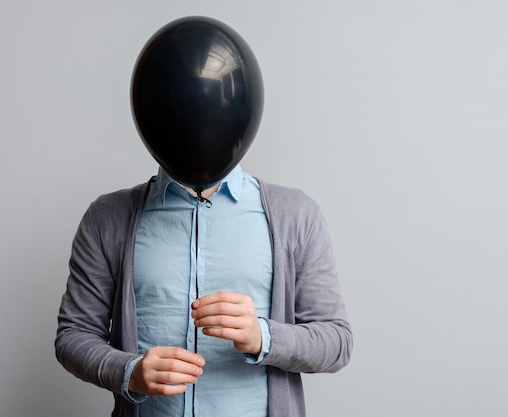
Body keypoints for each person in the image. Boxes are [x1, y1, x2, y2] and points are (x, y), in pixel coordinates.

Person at [55, 16, 352, 417]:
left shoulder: (296, 216)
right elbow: (73, 336)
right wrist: (130, 372)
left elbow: (336, 342)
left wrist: (262, 336)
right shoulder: (107, 219)